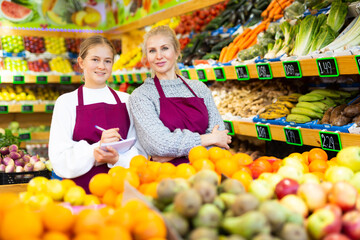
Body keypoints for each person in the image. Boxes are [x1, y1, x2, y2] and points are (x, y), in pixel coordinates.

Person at [49, 35, 146, 193]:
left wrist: (117, 159)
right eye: (95, 59)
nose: (101, 66)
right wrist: (96, 150)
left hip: (122, 189)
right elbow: (59, 159)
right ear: (81, 62)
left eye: (107, 61)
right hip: (79, 192)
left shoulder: (128, 100)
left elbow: (140, 152)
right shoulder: (66, 102)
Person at [129, 25, 231, 165]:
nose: (159, 56)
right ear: (147, 57)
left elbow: (220, 135)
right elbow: (159, 144)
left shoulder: (199, 89)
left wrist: (173, 154)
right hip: (168, 178)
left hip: (208, 169)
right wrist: (209, 139)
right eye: (152, 51)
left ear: (177, 52)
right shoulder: (141, 96)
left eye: (165, 48)